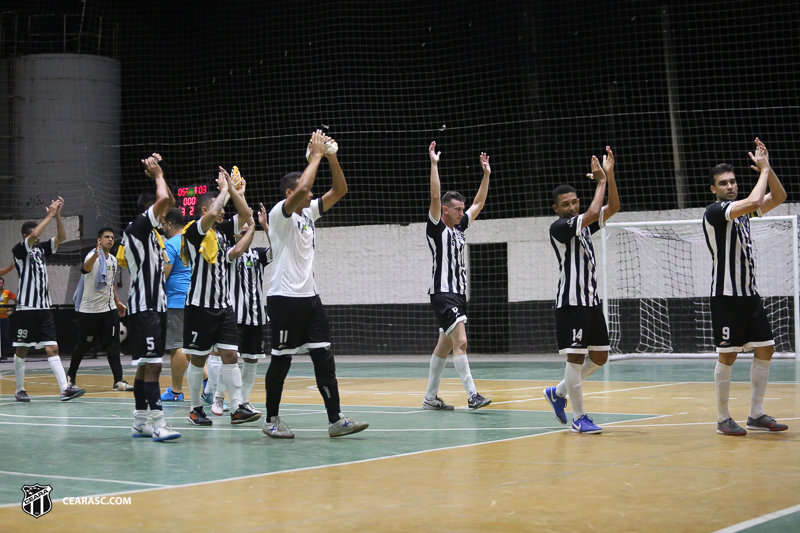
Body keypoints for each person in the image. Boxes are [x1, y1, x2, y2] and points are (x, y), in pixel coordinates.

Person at [263, 129, 368, 439]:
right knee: (281, 361)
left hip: (310, 299)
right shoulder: (278, 216)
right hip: (283, 299)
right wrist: (317, 154)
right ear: (289, 194)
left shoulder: (308, 214)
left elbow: (340, 189)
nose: (311, 195)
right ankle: (271, 420)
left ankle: (335, 419)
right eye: (304, 193)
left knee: (323, 355)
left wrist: (331, 157)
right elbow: (305, 186)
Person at [702, 138, 788, 436]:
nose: (730, 185)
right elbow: (753, 201)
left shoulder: (741, 214)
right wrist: (761, 171)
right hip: (726, 296)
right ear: (714, 189)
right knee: (728, 355)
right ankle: (723, 418)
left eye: (733, 181)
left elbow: (778, 196)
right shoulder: (716, 211)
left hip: (749, 295)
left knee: (766, 349)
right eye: (724, 183)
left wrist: (768, 168)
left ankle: (756, 414)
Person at [543, 147, 620, 434]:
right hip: (571, 302)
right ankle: (579, 417)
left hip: (591, 301)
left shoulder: (585, 227)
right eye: (566, 204)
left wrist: (609, 176)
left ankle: (557, 392)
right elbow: (590, 213)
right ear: (557, 209)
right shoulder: (559, 227)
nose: (572, 207)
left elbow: (612, 208)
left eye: (575, 202)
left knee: (600, 357)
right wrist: (599, 182)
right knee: (575, 357)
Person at [181, 167, 260, 426]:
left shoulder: (224, 233)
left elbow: (247, 216)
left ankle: (237, 407)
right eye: (218, 209)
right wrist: (224, 190)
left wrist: (236, 192)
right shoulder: (194, 231)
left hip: (225, 307)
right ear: (204, 211)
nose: (223, 213)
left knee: (231, 356)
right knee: (199, 358)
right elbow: (216, 210)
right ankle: (195, 409)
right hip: (199, 307)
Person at [422, 141, 492, 411]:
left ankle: (430, 398)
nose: (463, 212)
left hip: (458, 294)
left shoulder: (459, 228)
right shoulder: (437, 227)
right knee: (461, 342)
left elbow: (479, 203)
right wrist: (434, 165)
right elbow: (435, 197)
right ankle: (473, 395)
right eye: (458, 209)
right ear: (446, 211)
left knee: (444, 346)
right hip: (443, 293)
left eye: (463, 209)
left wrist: (486, 175)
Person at [122, 153, 180, 442]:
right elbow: (164, 200)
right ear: (150, 211)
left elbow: (166, 199)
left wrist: (161, 175)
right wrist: (157, 174)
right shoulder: (137, 229)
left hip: (154, 306)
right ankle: (158, 422)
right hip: (144, 307)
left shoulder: (153, 236)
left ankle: (140, 422)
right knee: (154, 364)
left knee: (146, 363)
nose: (167, 213)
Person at [11, 197, 85, 402]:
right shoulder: (19, 250)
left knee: (52, 347)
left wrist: (58, 215)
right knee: (22, 349)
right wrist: (49, 214)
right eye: (35, 234)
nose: (39, 236)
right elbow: (36, 233)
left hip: (44, 308)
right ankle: (19, 389)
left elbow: (61, 236)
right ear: (26, 236)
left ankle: (64, 389)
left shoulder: (41, 249)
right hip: (26, 308)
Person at [218, 204, 272, 416]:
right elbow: (236, 250)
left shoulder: (258, 255)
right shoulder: (229, 253)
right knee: (229, 358)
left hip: (256, 317)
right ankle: (220, 397)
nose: (246, 230)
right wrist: (249, 226)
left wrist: (265, 225)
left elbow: (278, 247)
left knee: (252, 359)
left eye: (248, 229)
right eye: (242, 229)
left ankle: (244, 401)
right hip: (234, 316)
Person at [67, 228, 132, 391]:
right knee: (83, 346)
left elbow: (109, 285)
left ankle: (119, 381)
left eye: (112, 237)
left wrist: (117, 302)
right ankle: (70, 376)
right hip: (89, 311)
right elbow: (85, 269)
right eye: (106, 237)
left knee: (114, 345)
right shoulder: (92, 257)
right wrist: (96, 255)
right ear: (99, 240)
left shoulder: (113, 260)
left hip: (108, 309)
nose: (110, 240)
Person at [161, 208, 193, 402]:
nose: (163, 228)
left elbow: (163, 274)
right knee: (193, 348)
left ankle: (175, 391)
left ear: (170, 225)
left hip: (177, 301)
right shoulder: (194, 241)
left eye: (164, 225)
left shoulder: (171, 245)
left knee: (178, 346)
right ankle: (209, 387)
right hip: (195, 300)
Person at [0, 274, 17, 360]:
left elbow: (16, 300)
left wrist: (12, 310)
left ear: (3, 284)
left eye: (1, 283)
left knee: (5, 335)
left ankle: (4, 353)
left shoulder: (7, 292)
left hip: (4, 317)